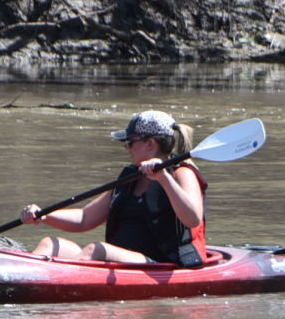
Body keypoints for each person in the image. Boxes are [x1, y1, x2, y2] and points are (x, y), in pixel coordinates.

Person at [19, 110, 210, 266]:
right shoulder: (130, 177)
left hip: (161, 263)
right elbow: (85, 219)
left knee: (95, 249)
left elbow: (192, 218)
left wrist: (163, 179)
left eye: (130, 142)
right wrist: (44, 215)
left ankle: (51, 284)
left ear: (150, 144)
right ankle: (22, 280)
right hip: (119, 259)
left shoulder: (182, 173)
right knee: (50, 244)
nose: (127, 148)